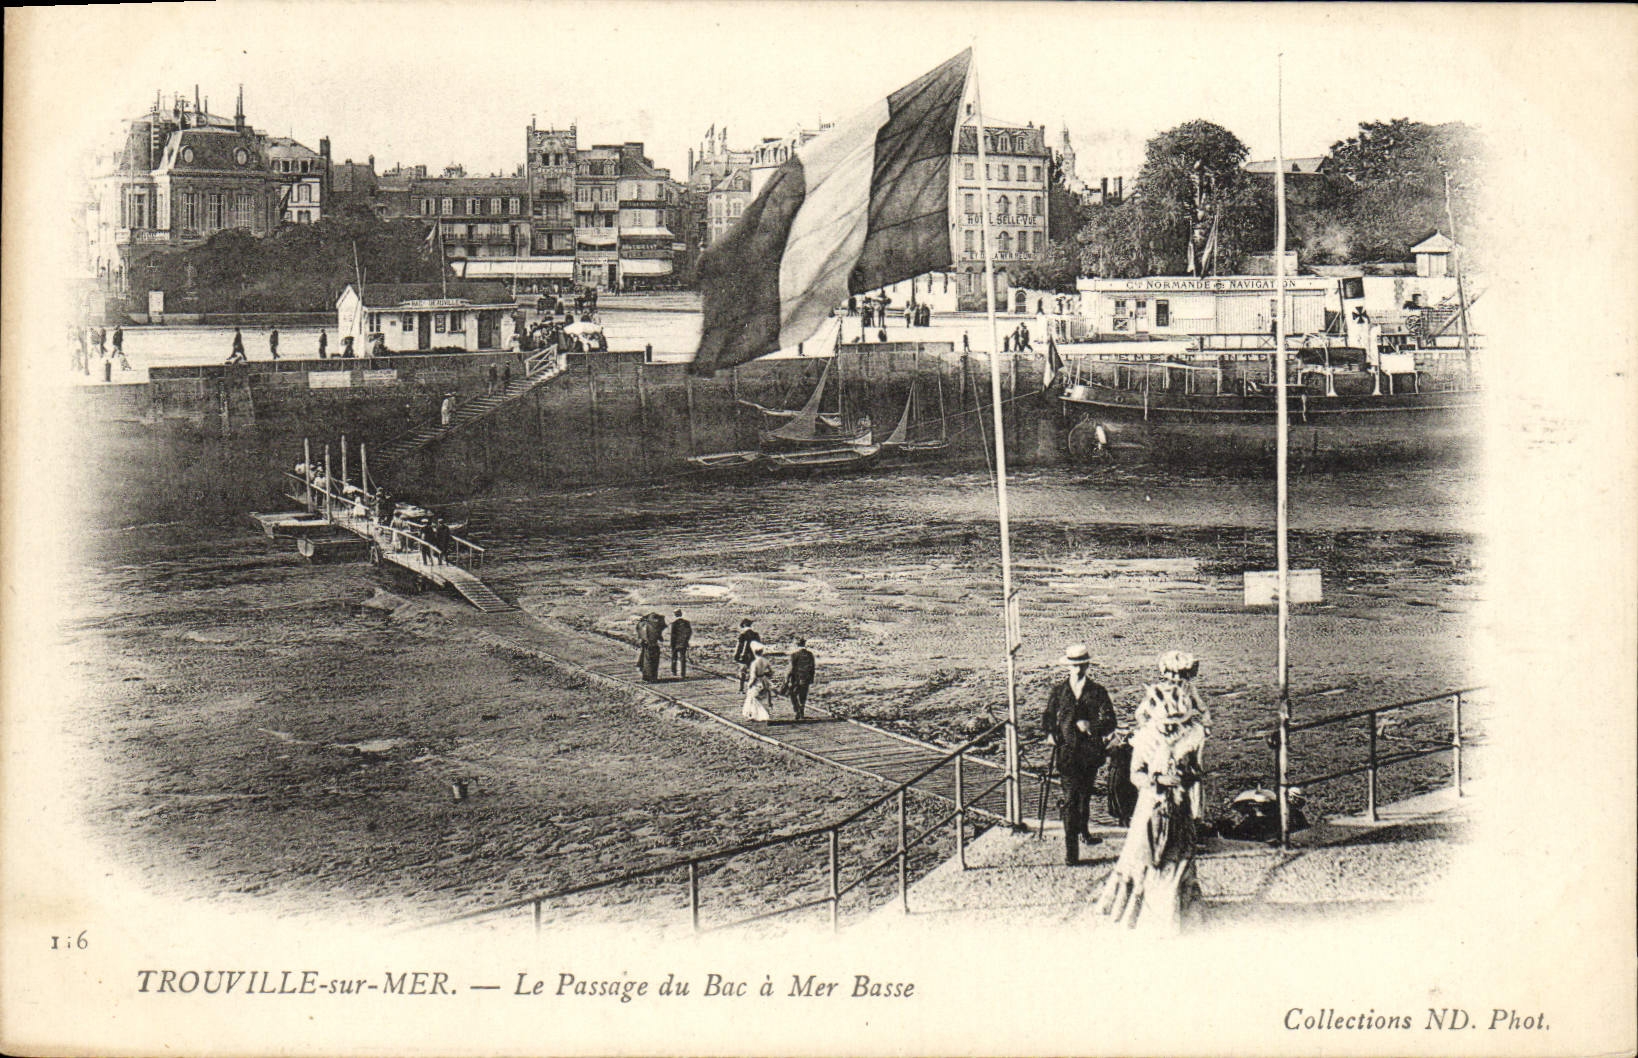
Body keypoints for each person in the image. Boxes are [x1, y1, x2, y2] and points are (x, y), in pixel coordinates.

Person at [1096, 651, 1210, 934]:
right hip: (1150, 806)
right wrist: (1157, 780)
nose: (1170, 728)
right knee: (1146, 854)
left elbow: (1197, 769)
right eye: (1166, 723)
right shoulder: (1146, 737)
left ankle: (1181, 913)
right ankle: (1141, 912)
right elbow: (1136, 774)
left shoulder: (1191, 735)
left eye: (1176, 723)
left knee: (1180, 855)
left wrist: (1186, 776)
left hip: (1180, 807)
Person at [1042, 643, 1119, 865]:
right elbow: (1048, 716)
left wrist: (1092, 727)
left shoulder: (1097, 691)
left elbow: (1110, 721)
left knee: (1084, 796)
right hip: (1066, 753)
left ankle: (1084, 832)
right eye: (1073, 664)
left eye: (1081, 664)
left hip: (1089, 753)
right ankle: (1071, 853)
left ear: (1087, 665)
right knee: (1070, 800)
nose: (1078, 668)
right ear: (1068, 666)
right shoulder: (1059, 691)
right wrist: (1049, 733)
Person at [741, 642, 774, 723]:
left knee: (753, 698)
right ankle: (763, 714)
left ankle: (755, 715)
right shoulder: (766, 661)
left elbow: (753, 676)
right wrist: (766, 676)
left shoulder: (754, 663)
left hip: (757, 681)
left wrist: (749, 684)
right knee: (764, 697)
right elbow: (771, 671)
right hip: (764, 680)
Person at [785, 637, 816, 720]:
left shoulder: (794, 655)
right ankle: (801, 710)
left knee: (793, 694)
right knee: (803, 695)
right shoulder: (810, 654)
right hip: (806, 678)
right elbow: (812, 667)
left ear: (797, 645)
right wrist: (811, 678)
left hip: (796, 679)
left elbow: (790, 668)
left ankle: (797, 710)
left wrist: (787, 679)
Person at [636, 612, 664, 683]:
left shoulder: (643, 625)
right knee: (654, 662)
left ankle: (647, 677)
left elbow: (641, 635)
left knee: (647, 662)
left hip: (647, 645)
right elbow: (660, 638)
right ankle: (653, 677)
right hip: (654, 645)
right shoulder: (657, 625)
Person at [734, 619, 761, 693]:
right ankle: (755, 688)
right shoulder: (755, 634)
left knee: (743, 672)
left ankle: (741, 689)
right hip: (753, 655)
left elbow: (739, 646)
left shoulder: (742, 634)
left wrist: (736, 655)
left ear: (744, 625)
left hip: (744, 655)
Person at [669, 609, 692, 678]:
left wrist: (672, 644)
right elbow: (689, 633)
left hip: (675, 643)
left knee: (674, 657)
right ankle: (683, 673)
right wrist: (686, 640)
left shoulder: (674, 623)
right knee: (683, 658)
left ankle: (674, 671)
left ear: (675, 614)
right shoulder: (687, 623)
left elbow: (673, 635)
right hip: (683, 643)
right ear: (681, 614)